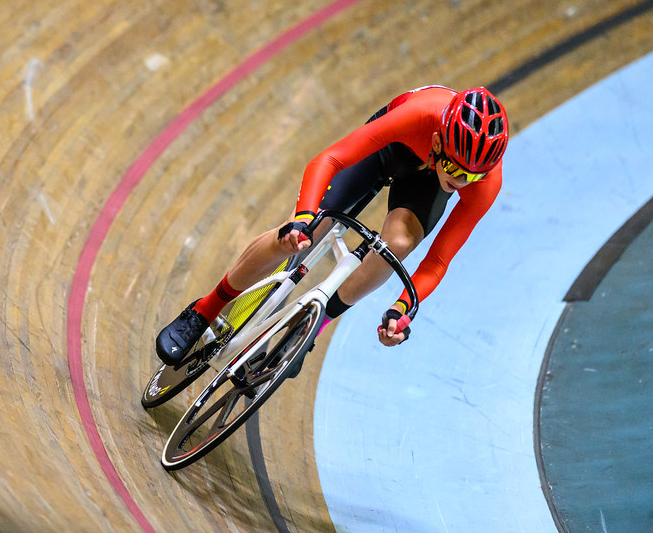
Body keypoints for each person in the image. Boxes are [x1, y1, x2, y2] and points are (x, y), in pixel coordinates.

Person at [155, 85, 509, 366]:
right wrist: (304, 219)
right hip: (391, 150)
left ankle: (312, 327)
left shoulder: (485, 180)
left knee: (398, 244)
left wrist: (402, 309)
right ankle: (204, 310)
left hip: (423, 185)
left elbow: (438, 261)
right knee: (299, 235)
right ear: (438, 142)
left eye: (472, 176)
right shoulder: (419, 114)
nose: (463, 182)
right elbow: (329, 158)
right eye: (458, 170)